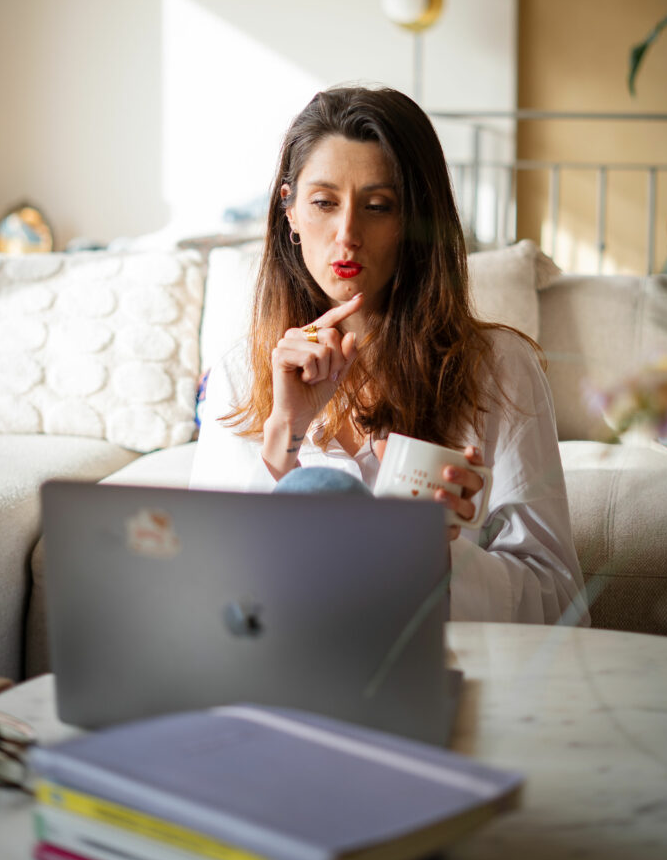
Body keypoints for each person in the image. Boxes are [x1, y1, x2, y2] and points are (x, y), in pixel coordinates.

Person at [190, 86, 589, 626]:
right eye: (324, 203)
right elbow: (208, 592)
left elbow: (560, 602)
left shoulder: (500, 369)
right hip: (290, 657)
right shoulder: (240, 373)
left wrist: (432, 555)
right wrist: (284, 435)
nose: (347, 235)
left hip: (437, 661)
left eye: (378, 207)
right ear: (290, 211)